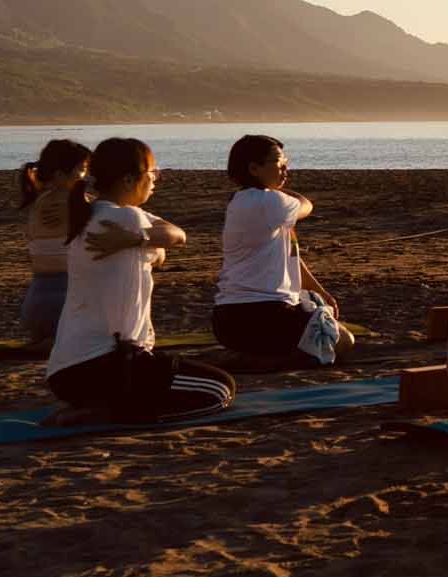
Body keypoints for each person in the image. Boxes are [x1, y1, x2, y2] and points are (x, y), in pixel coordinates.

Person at [45, 137, 235, 421]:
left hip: (66, 373)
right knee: (219, 391)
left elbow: (167, 246)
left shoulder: (92, 215)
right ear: (129, 180)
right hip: (109, 365)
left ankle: (99, 405)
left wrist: (141, 241)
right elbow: (176, 237)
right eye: (152, 173)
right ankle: (110, 412)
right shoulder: (128, 219)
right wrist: (145, 240)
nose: (155, 180)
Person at [211, 135, 353, 366]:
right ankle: (265, 362)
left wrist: (322, 291)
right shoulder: (267, 202)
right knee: (344, 340)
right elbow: (307, 205)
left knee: (315, 301)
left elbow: (292, 257)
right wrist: (285, 194)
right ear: (254, 168)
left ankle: (259, 355)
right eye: (278, 162)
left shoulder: (247, 201)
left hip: (228, 319)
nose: (285, 168)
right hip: (262, 314)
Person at [17, 139, 91, 346]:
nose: (86, 176)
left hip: (35, 306)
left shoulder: (38, 202)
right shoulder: (72, 202)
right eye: (82, 170)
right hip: (66, 303)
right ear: (60, 175)